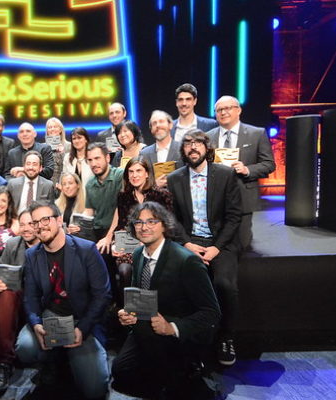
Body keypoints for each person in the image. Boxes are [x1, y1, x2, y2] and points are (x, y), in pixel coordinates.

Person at [111, 202, 221, 399]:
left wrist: (172, 327)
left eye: (151, 221)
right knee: (121, 372)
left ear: (164, 225)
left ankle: (188, 375)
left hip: (176, 329)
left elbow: (211, 313)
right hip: (146, 326)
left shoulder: (186, 261)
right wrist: (128, 312)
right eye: (139, 222)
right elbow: (138, 295)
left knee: (167, 381)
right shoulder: (138, 255)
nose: (144, 227)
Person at [15, 201, 111, 399]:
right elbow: (30, 297)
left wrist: (82, 328)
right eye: (35, 222)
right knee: (24, 348)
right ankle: (53, 359)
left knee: (95, 391)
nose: (40, 226)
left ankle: (66, 361)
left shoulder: (86, 250)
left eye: (45, 219)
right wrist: (36, 324)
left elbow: (102, 295)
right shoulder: (32, 255)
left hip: (81, 318)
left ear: (59, 220)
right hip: (52, 315)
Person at [166, 130, 242, 366]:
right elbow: (172, 219)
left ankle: (226, 337)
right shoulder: (174, 178)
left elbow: (234, 217)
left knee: (224, 284)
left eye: (198, 143)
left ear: (207, 148)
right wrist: (187, 244)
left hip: (221, 243)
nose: (193, 147)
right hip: (189, 242)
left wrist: (216, 248)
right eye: (188, 143)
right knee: (182, 285)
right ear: (183, 150)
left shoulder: (226, 174)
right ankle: (190, 340)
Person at [207, 95, 276, 250]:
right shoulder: (208, 137)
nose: (223, 112)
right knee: (219, 245)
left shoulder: (256, 133)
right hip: (216, 199)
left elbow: (269, 164)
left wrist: (247, 169)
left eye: (227, 108)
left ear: (238, 110)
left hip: (243, 196)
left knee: (242, 245)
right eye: (219, 110)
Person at [0, 210, 39, 397]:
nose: (26, 228)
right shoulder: (14, 243)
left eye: (31, 224)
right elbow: (0, 273)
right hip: (16, 302)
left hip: (40, 306)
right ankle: (4, 363)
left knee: (26, 348)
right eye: (22, 224)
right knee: (6, 293)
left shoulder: (47, 245)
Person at [112, 158, 175, 291]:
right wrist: (116, 244)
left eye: (138, 171)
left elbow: (168, 228)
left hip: (155, 245)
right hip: (131, 246)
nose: (134, 175)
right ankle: (126, 304)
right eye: (131, 172)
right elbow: (122, 225)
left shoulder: (162, 195)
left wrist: (145, 241)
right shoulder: (123, 196)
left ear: (147, 173)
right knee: (124, 270)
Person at [84, 142, 124, 302]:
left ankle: (117, 303)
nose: (94, 163)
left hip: (119, 230)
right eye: (90, 160)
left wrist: (108, 237)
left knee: (107, 258)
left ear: (107, 158)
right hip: (98, 230)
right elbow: (89, 211)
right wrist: (77, 224)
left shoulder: (120, 175)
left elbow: (120, 209)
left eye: (97, 158)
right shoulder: (90, 183)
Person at [140, 110, 183, 188]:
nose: (158, 125)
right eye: (154, 123)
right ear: (151, 129)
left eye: (161, 121)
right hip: (154, 195)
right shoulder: (144, 154)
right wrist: (154, 185)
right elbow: (142, 182)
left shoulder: (182, 149)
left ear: (170, 125)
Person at [61, 127, 94, 203]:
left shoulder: (92, 157)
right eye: (74, 139)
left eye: (79, 138)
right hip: (71, 200)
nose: (76, 141)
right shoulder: (67, 158)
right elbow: (65, 178)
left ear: (86, 140)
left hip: (90, 199)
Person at [44, 117, 70, 184]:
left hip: (64, 182)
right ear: (47, 131)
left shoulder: (69, 146)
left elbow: (70, 167)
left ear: (60, 129)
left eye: (55, 127)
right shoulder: (42, 147)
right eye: (50, 127)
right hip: (47, 183)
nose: (52, 129)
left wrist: (62, 153)